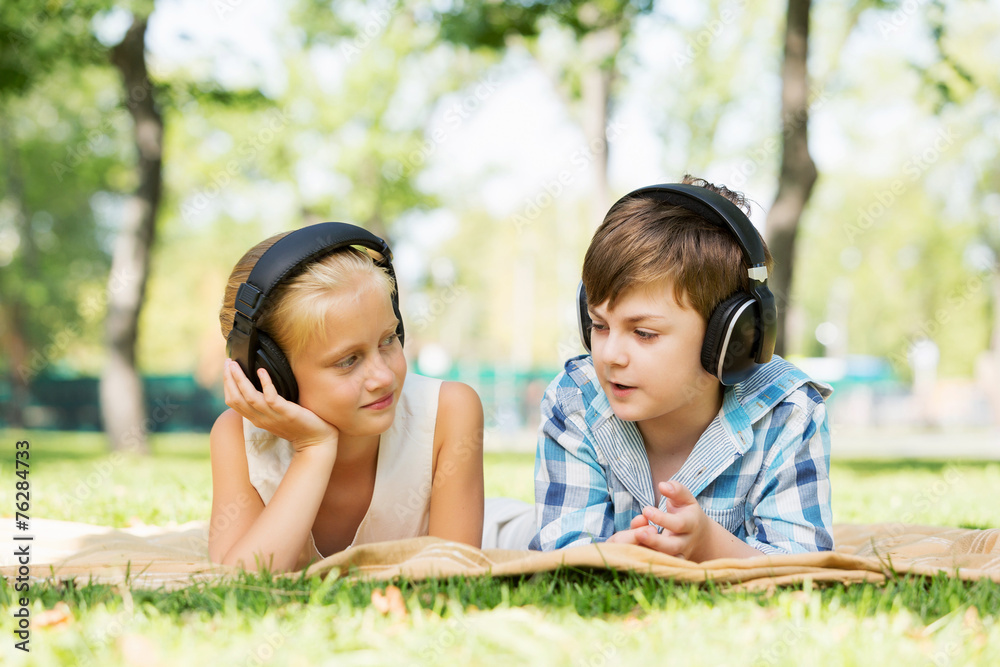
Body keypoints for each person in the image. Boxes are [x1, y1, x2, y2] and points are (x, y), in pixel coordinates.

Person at [529, 177, 834, 560]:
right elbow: (558, 552)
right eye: (600, 325)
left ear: (729, 339)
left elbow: (803, 564)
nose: (609, 356)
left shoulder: (788, 412)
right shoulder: (575, 399)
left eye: (643, 333)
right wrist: (604, 556)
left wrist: (710, 545)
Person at [208, 223, 484, 572]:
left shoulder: (448, 412)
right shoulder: (237, 436)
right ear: (270, 372)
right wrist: (314, 449)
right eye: (348, 360)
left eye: (388, 339)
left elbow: (453, 572)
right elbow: (243, 578)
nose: (383, 377)